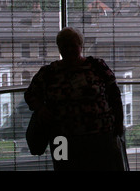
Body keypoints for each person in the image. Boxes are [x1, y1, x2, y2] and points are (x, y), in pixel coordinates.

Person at [24, 27, 125, 170]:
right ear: (59, 48)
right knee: (64, 168)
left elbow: (115, 96)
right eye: (65, 46)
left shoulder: (97, 66)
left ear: (81, 46)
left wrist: (119, 124)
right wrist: (41, 109)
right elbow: (30, 94)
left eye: (73, 45)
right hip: (61, 137)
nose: (69, 49)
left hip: (99, 136)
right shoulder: (48, 72)